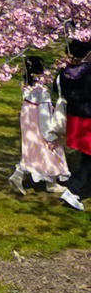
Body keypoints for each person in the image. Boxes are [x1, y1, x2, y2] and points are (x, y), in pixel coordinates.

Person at [9, 56, 83, 209]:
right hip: (39, 124)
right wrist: (50, 134)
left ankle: (19, 174)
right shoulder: (42, 92)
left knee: (32, 150)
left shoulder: (26, 86)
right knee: (50, 151)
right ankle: (51, 183)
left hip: (28, 121)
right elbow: (44, 116)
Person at [58, 38, 91, 201]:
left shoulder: (66, 71)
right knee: (88, 158)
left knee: (86, 155)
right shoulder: (88, 72)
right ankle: (73, 190)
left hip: (75, 116)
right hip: (88, 117)